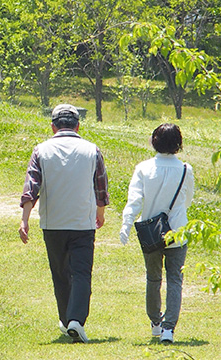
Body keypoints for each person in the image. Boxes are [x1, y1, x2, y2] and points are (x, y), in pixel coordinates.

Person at [19, 104, 109, 344]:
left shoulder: (41, 150)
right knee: (81, 273)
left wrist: (24, 220)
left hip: (53, 223)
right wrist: (100, 212)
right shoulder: (92, 150)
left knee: (60, 273)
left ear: (52, 126)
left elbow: (31, 188)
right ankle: (75, 320)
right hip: (82, 222)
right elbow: (101, 186)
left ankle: (67, 318)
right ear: (78, 126)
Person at [119, 123, 195, 343]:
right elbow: (187, 200)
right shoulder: (185, 169)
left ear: (154, 141)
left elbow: (134, 200)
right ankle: (169, 329)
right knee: (175, 279)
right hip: (178, 231)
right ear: (178, 144)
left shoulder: (143, 168)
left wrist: (126, 223)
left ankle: (155, 323)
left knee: (153, 278)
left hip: (151, 233)